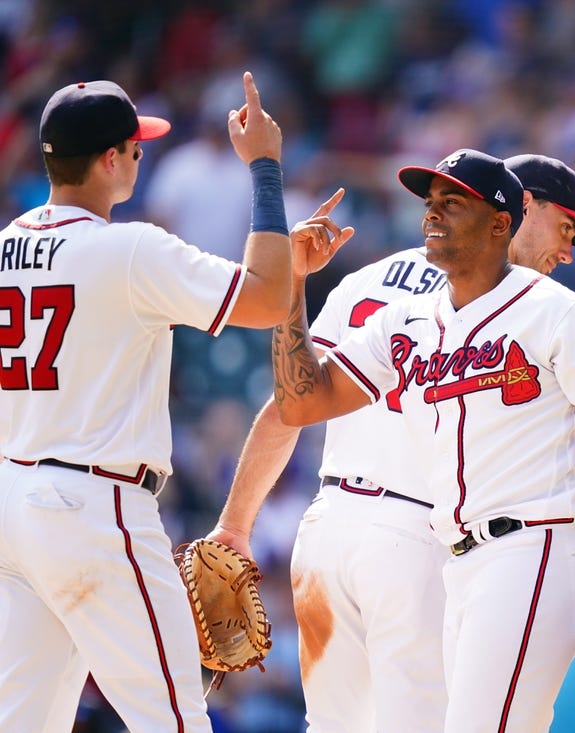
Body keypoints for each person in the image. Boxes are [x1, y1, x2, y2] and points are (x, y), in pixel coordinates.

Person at [207, 151, 575, 731]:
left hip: (518, 543)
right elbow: (302, 401)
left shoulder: (549, 312)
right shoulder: (419, 315)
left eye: (449, 204)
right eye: (565, 229)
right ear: (517, 212)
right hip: (437, 548)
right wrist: (291, 283)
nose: (566, 252)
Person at [0, 72, 291, 732]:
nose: (140, 155)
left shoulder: (4, 244)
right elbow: (269, 296)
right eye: (135, 147)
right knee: (175, 719)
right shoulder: (129, 247)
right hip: (93, 508)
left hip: (13, 504)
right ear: (110, 159)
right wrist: (267, 166)